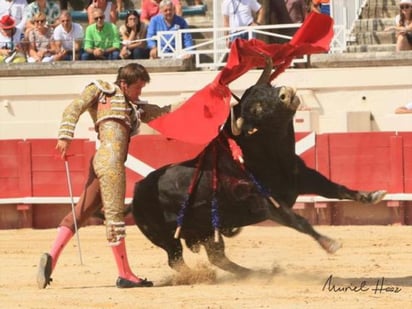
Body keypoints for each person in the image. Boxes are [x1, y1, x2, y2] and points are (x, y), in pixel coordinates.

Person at [36, 63, 173, 289]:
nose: (140, 93)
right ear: (123, 84)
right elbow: (74, 107)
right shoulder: (101, 88)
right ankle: (125, 274)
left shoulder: (134, 107)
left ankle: (51, 256)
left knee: (81, 212)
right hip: (111, 163)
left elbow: (163, 113)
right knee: (115, 217)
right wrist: (64, 136)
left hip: (100, 159)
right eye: (137, 88)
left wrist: (195, 102)